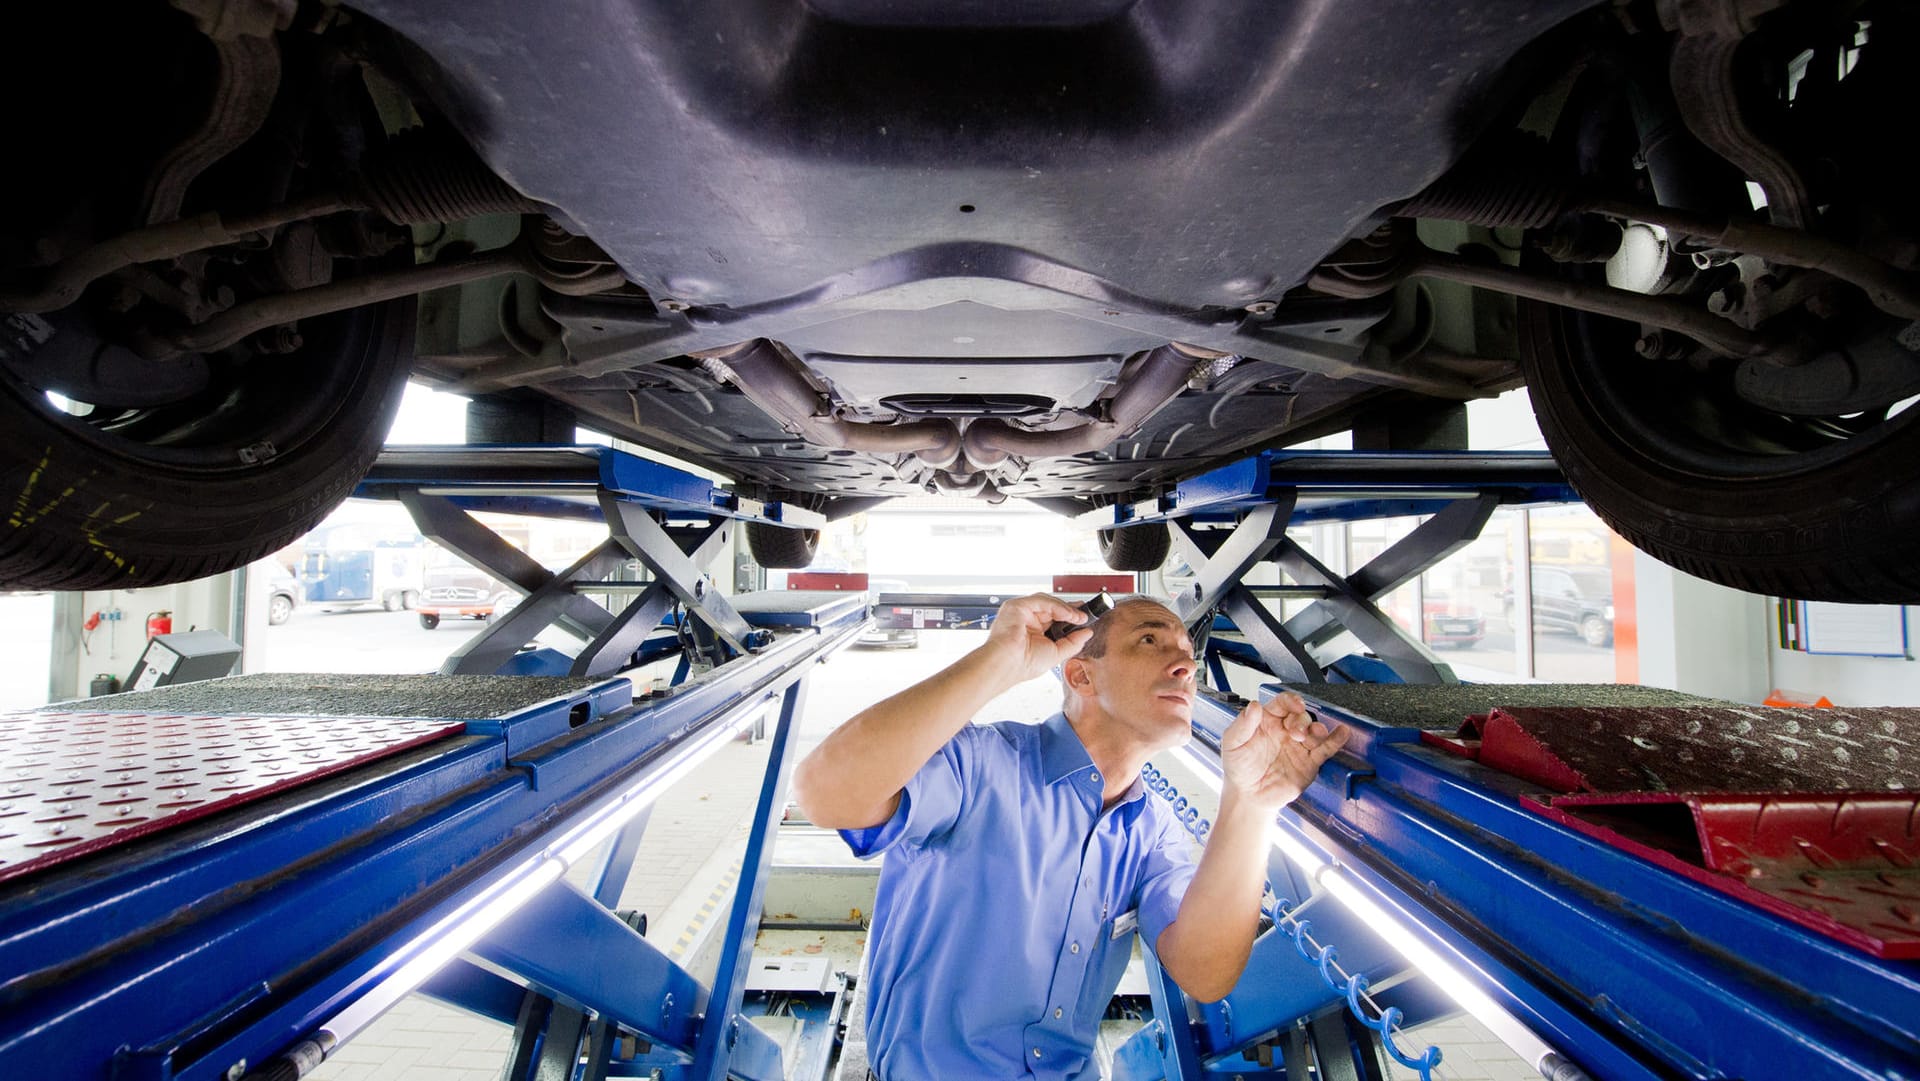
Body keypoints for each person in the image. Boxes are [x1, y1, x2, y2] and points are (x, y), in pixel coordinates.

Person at [792, 593, 1351, 1080]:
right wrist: (999, 660)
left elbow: (1204, 972)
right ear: (1080, 674)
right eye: (1150, 640)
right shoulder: (982, 766)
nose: (1184, 662)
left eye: (1188, 651)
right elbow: (825, 792)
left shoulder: (1153, 829)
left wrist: (1251, 802)